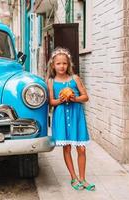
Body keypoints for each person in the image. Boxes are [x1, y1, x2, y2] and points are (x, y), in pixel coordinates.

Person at [46, 47, 95, 191]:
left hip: (76, 116)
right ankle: (74, 177)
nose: (62, 66)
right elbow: (51, 102)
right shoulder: (51, 81)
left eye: (64, 63)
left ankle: (83, 178)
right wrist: (62, 99)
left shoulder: (75, 78)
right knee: (67, 147)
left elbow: (85, 97)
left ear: (69, 65)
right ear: (53, 65)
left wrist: (74, 98)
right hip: (61, 117)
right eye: (58, 64)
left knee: (81, 148)